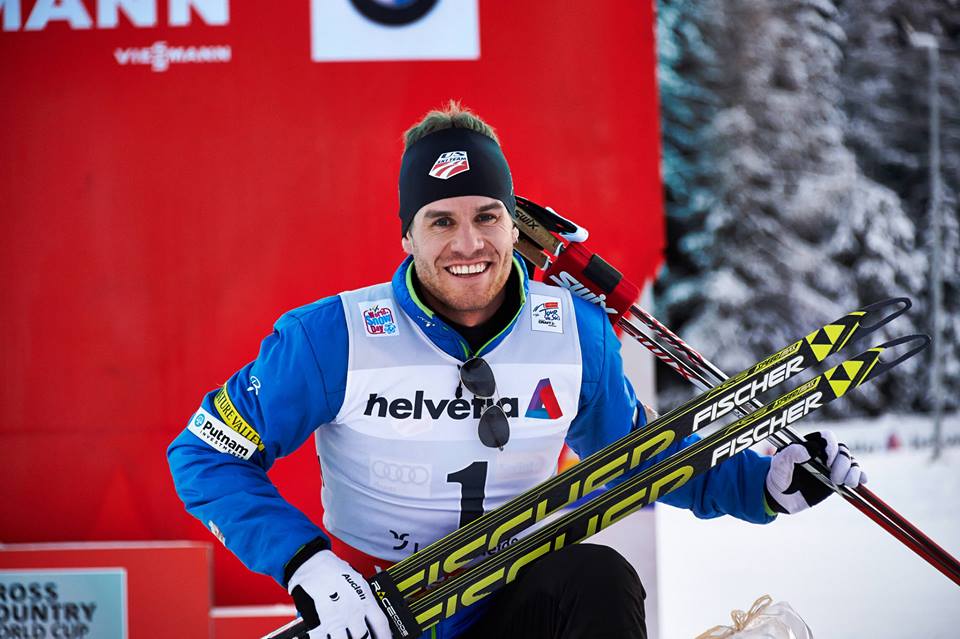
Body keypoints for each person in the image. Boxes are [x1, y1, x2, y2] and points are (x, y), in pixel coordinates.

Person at [167, 102, 865, 639]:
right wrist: (308, 564)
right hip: (382, 606)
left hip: (512, 598)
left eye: (486, 216)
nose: (467, 243)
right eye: (440, 221)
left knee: (599, 576)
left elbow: (637, 460)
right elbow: (203, 455)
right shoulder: (333, 336)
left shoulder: (577, 334)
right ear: (406, 233)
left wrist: (762, 485)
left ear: (512, 224)